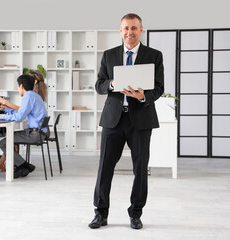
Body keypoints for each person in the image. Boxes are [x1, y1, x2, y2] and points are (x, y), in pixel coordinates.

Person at [88, 13, 164, 230]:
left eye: (134, 28)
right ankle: (100, 213)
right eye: (125, 28)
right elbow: (99, 84)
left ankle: (136, 213)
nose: (129, 32)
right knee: (104, 168)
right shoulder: (109, 55)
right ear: (120, 31)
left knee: (140, 169)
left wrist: (142, 96)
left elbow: (159, 87)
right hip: (113, 119)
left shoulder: (154, 55)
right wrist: (112, 84)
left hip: (140, 119)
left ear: (141, 30)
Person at [0, 74, 48, 178]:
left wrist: (0, 117)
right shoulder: (34, 95)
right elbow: (21, 112)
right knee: (9, 140)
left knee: (3, 143)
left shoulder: (29, 96)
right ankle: (23, 166)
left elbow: (19, 118)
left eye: (17, 85)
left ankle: (23, 166)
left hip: (35, 134)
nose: (17, 88)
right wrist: (5, 109)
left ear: (21, 86)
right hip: (38, 132)